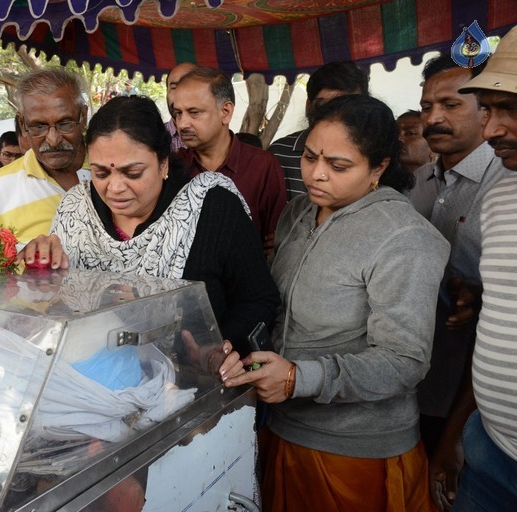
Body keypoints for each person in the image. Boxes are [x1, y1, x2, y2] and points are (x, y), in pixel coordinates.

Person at [220, 95, 450, 512]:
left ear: (378, 168)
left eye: (339, 166)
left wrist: (299, 378)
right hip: (282, 427)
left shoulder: (403, 238)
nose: (317, 175)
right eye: (309, 157)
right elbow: (276, 307)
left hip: (354, 450)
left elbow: (404, 360)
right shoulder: (298, 212)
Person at [20, 95, 280, 356]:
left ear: (163, 162)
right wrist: (44, 269)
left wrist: (220, 349)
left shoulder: (210, 207)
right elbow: (59, 307)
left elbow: (258, 299)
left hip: (194, 378)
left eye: (132, 173)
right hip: (92, 373)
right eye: (101, 173)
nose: (115, 188)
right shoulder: (75, 210)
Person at [407, 56, 508, 505]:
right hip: (418, 376)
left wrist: (479, 295)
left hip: (474, 393)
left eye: (450, 104)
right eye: (426, 106)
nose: (433, 118)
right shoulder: (416, 183)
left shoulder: (504, 180)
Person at [445, 26, 517, 511]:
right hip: (490, 450)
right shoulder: (499, 199)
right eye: (489, 110)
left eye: (510, 108)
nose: (490, 130)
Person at [172, 66, 286, 240]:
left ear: (225, 112)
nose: (182, 124)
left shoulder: (262, 166)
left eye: (194, 113)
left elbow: (274, 240)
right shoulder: (173, 166)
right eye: (178, 113)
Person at [0, 68, 90, 245]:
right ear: (22, 124)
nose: (53, 140)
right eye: (39, 126)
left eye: (65, 124)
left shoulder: (117, 170)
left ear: (83, 117)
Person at [269, 61, 370, 200]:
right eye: (324, 106)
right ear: (308, 107)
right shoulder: (279, 154)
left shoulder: (374, 152)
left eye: (339, 166)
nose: (333, 115)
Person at [165, 62, 197, 152]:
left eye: (188, 86)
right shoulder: (153, 138)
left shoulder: (216, 138)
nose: (180, 95)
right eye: (174, 87)